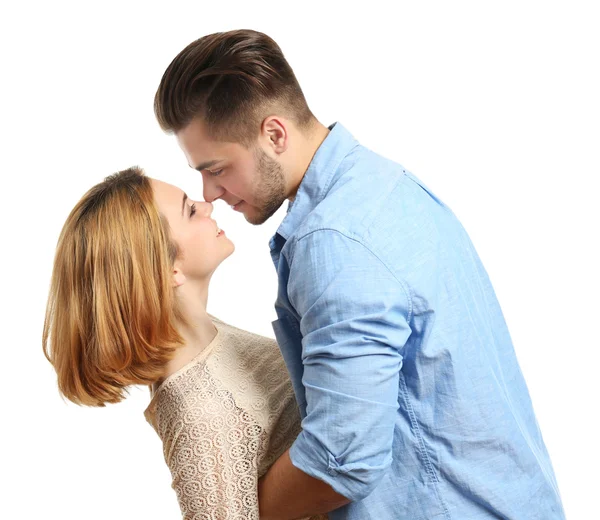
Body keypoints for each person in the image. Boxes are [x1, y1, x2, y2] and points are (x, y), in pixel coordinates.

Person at [153, 29, 566, 519]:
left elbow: (341, 461)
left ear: (274, 134)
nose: (211, 192)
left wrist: (234, 511)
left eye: (218, 168)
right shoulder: (379, 184)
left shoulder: (334, 243)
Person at [42, 167, 326, 520]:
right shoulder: (198, 413)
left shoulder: (204, 335)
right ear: (166, 269)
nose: (207, 205)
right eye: (190, 210)